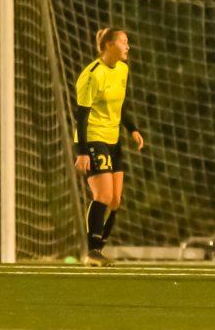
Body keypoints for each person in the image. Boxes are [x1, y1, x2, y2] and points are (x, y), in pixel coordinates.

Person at [74, 28, 145, 267]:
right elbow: (82, 116)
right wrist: (82, 151)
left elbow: (119, 105)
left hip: (114, 139)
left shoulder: (123, 69)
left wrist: (132, 129)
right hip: (94, 138)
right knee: (102, 195)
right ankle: (93, 251)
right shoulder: (92, 75)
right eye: (123, 42)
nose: (128, 46)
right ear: (108, 45)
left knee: (114, 201)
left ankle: (98, 251)